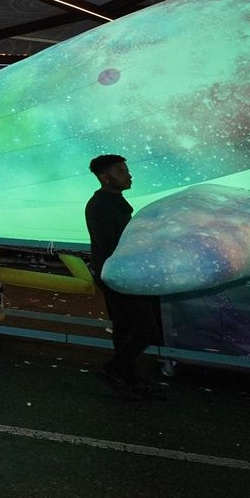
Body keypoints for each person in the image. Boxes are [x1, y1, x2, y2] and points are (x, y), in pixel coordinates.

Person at [85, 154, 165, 401]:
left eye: (127, 170)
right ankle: (115, 369)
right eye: (121, 171)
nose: (129, 175)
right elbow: (111, 244)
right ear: (104, 177)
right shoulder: (101, 206)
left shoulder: (114, 202)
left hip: (122, 273)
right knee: (148, 329)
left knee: (125, 326)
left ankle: (126, 374)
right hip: (120, 275)